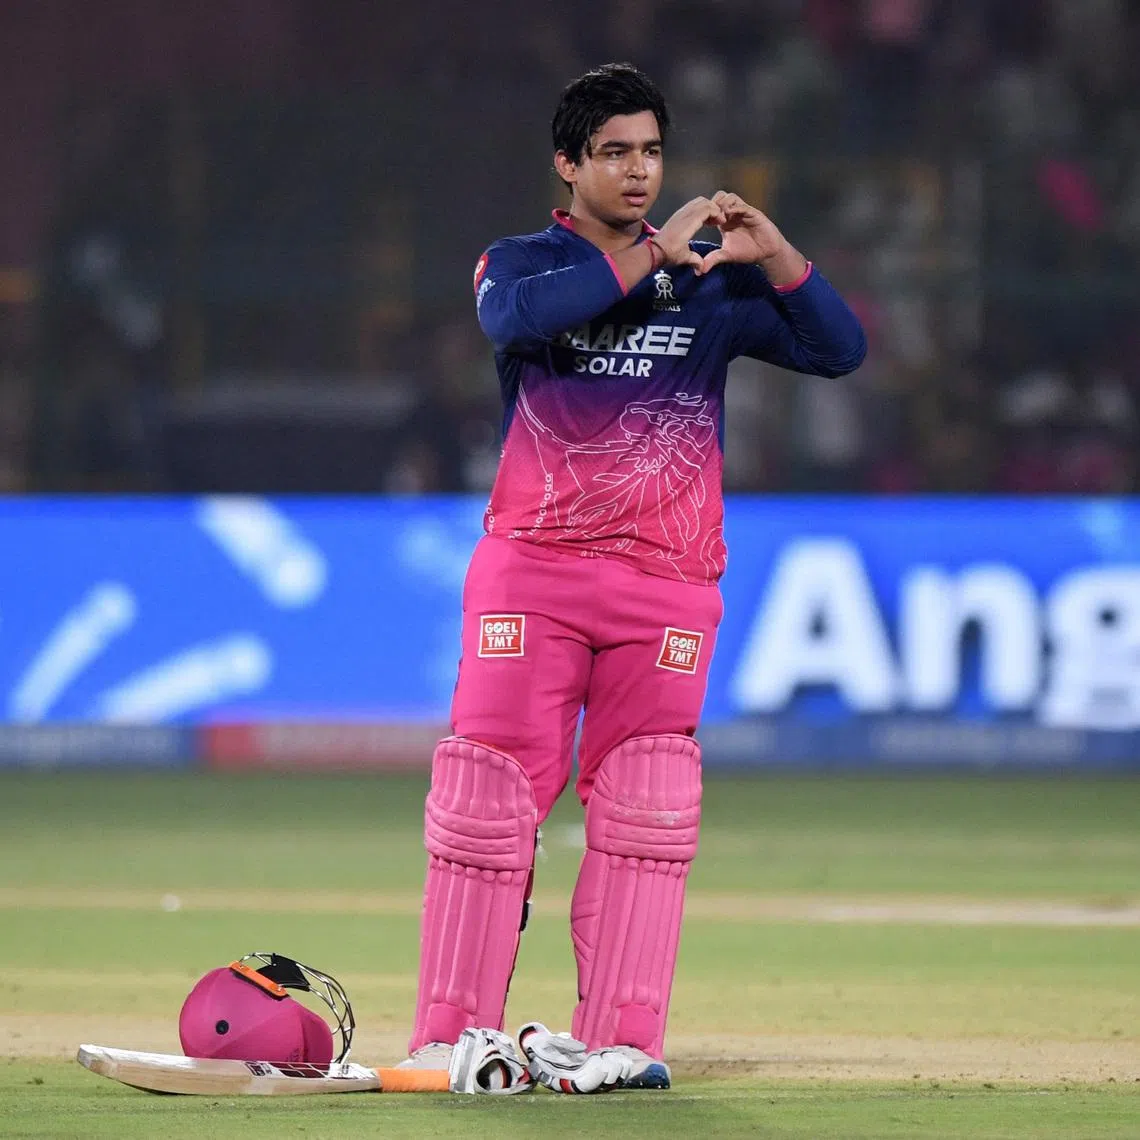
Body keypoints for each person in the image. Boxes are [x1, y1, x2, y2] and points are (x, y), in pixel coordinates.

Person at [402, 62, 866, 1091]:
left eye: (651, 151)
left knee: (648, 806)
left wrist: (775, 255)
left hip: (667, 586)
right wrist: (655, 256)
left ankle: (619, 1041)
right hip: (536, 574)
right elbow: (518, 323)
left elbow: (840, 350)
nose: (638, 171)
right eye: (614, 152)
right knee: (485, 796)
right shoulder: (519, 263)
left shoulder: (714, 286)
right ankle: (451, 1037)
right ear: (567, 164)